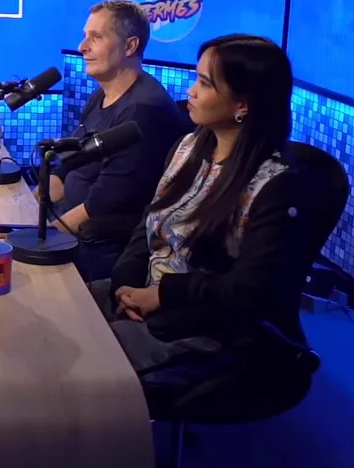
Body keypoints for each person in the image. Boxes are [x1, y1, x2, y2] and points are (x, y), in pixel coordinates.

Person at [87, 34, 308, 405]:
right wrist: (125, 286)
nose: (190, 91)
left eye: (205, 83)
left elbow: (250, 291)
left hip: (205, 325)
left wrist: (162, 296)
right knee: (57, 319)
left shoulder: (276, 186)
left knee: (72, 368)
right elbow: (151, 222)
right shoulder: (189, 146)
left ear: (243, 104)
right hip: (146, 295)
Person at [45, 0, 193, 281]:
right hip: (68, 221)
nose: (82, 47)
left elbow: (100, 208)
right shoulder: (102, 94)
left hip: (99, 247)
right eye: (85, 35)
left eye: (96, 37)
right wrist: (29, 208)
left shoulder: (142, 113)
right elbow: (69, 165)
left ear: (130, 47)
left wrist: (38, 236)